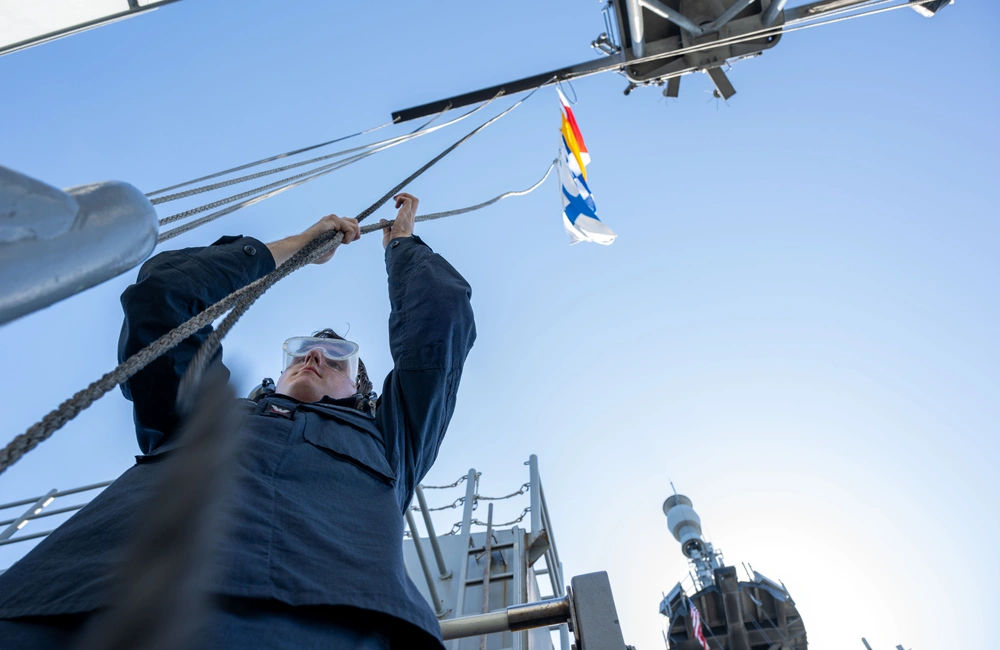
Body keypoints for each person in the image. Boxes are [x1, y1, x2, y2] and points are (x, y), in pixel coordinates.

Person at [0, 193, 477, 649]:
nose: (315, 356)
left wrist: (403, 246)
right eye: (302, 351)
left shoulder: (392, 437)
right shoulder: (202, 413)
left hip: (321, 626)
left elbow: (441, 319)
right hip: (69, 602)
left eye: (337, 357)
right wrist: (295, 249)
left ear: (361, 391)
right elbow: (165, 296)